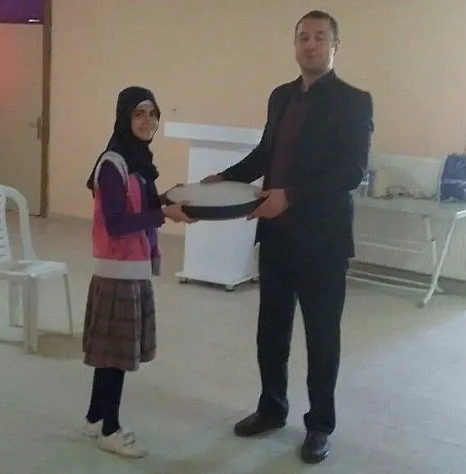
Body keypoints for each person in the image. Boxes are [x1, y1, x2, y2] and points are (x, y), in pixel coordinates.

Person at [202, 10, 374, 464]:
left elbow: (351, 172)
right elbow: (266, 154)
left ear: (335, 45)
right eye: (303, 37)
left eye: (319, 37)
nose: (310, 45)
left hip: (323, 241)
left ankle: (319, 425)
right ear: (294, 44)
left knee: (321, 338)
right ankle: (271, 408)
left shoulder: (354, 101)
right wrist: (225, 178)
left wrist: (291, 195)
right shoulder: (280, 97)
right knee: (271, 331)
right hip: (276, 235)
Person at [81, 86, 193, 458]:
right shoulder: (113, 164)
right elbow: (116, 223)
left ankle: (95, 417)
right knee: (116, 358)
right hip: (117, 272)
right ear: (124, 118)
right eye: (139, 114)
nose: (148, 121)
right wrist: (164, 214)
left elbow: (138, 206)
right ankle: (110, 429)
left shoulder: (136, 161)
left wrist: (167, 201)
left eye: (153, 113)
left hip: (130, 267)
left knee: (110, 353)